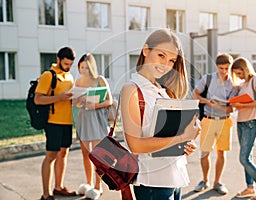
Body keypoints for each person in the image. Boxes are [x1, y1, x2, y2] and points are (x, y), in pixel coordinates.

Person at [120, 28, 200, 200]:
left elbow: (162, 136)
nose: (165, 65)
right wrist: (181, 137)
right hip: (153, 183)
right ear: (146, 50)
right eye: (161, 55)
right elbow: (136, 145)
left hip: (174, 178)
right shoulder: (131, 90)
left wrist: (184, 144)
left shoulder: (162, 91)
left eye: (171, 60)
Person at [192, 53, 238, 195]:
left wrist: (219, 106)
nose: (224, 71)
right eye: (221, 68)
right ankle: (204, 180)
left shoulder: (234, 83)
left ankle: (217, 182)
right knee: (204, 153)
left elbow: (232, 107)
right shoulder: (208, 78)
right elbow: (195, 95)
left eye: (226, 68)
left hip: (224, 121)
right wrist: (207, 101)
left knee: (221, 153)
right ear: (217, 66)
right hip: (208, 120)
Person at [35, 47, 76, 200]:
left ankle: (58, 187)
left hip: (67, 122)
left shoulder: (69, 76)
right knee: (51, 156)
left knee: (63, 154)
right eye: (65, 64)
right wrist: (60, 97)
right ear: (58, 59)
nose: (68, 67)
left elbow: (68, 98)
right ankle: (46, 194)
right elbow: (38, 99)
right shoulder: (48, 75)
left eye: (70, 64)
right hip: (53, 122)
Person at [230, 57, 256, 200]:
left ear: (245, 69)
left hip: (251, 123)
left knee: (244, 159)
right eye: (236, 74)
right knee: (248, 157)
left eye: (240, 73)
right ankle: (249, 188)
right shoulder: (243, 84)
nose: (239, 76)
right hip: (241, 122)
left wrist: (243, 106)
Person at [73, 53, 113, 199]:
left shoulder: (100, 79)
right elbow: (76, 104)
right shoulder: (78, 82)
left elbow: (109, 101)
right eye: (81, 67)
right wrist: (79, 100)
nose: (83, 70)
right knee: (86, 154)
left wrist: (94, 104)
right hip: (84, 118)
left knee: (97, 156)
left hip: (97, 119)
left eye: (86, 67)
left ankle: (98, 186)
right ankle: (89, 183)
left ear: (91, 67)